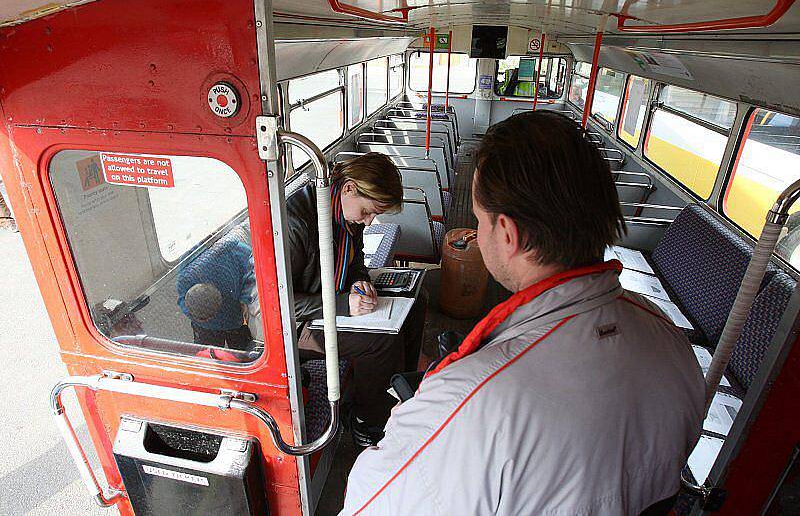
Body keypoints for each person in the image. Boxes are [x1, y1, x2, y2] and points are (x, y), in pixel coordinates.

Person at [341, 111, 705, 515]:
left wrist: (412, 424)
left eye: (479, 222)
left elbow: (368, 504)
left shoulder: (468, 401)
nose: (477, 234)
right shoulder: (670, 339)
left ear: (508, 235)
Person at [287, 152, 426, 447]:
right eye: (367, 212)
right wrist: (341, 304)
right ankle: (370, 420)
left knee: (418, 302)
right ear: (349, 188)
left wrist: (359, 279)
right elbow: (274, 300)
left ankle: (400, 388)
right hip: (294, 327)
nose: (369, 221)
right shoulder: (297, 221)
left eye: (374, 215)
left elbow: (356, 262)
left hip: (328, 300)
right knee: (379, 343)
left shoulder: (344, 211)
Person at [176, 231, 257, 351]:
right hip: (214, 325)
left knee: (242, 353)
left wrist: (245, 299)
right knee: (211, 356)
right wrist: (193, 312)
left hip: (234, 318)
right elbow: (183, 298)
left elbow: (252, 276)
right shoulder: (189, 263)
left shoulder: (238, 252)